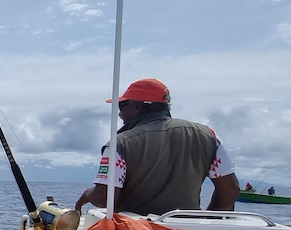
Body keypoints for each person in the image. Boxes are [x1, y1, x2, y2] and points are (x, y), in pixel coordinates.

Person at [75, 78, 241, 216]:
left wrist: (88, 194)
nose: (119, 113)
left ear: (138, 106)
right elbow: (230, 190)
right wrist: (207, 224)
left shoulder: (120, 143)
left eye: (122, 105)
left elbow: (104, 199)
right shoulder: (209, 136)